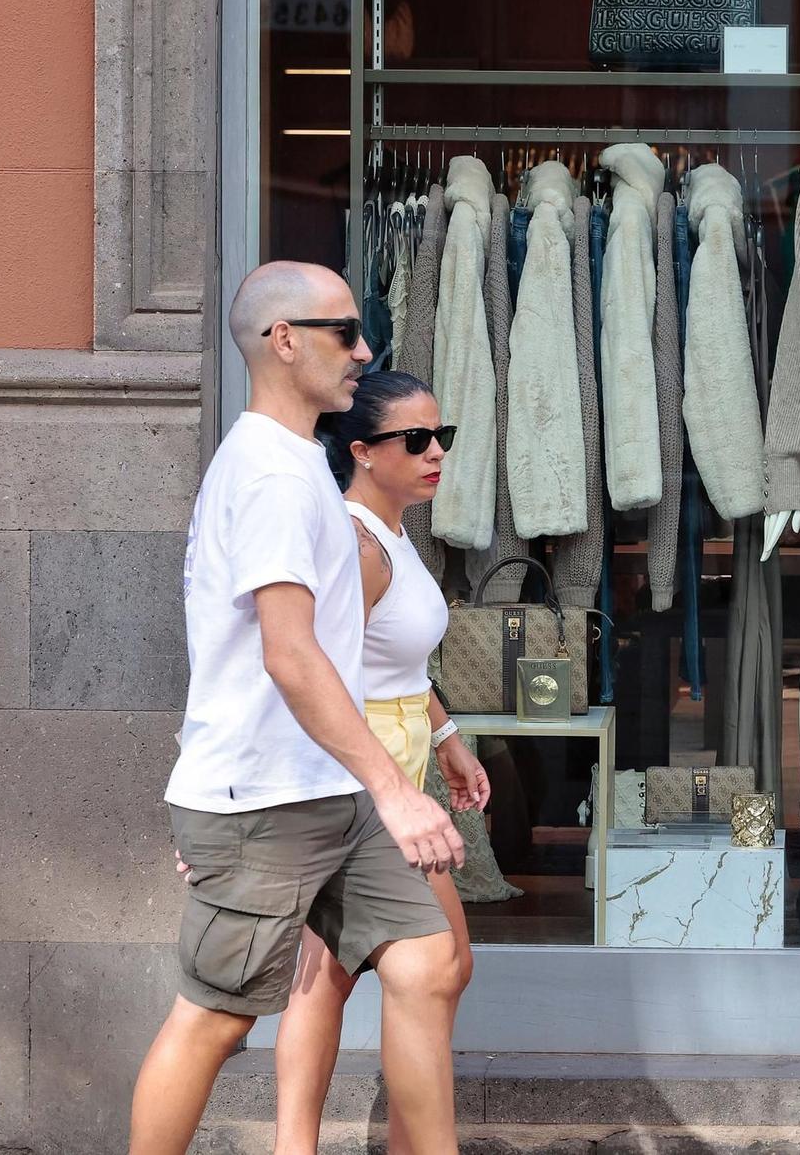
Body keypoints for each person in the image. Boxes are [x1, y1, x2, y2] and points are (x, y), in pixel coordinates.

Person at [130, 262, 468, 1155]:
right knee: (216, 1020)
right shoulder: (274, 477)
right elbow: (287, 652)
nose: (363, 352)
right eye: (344, 333)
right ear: (284, 342)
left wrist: (428, 740)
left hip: (326, 787)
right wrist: (396, 791)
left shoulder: (297, 460)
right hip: (266, 802)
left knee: (430, 962)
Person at [271, 369, 490, 1155]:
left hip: (397, 769)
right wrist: (382, 783)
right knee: (431, 962)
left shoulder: (392, 530)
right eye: (416, 439)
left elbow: (394, 665)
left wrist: (447, 739)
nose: (437, 453)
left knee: (343, 969)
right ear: (361, 450)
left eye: (443, 436)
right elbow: (319, 675)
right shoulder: (358, 543)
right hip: (364, 783)